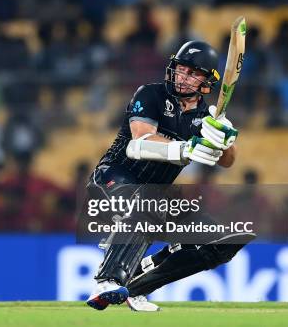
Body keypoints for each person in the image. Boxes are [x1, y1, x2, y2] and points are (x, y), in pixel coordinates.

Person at [85, 41, 255, 312]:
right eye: (180, 69)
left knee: (220, 243)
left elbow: (228, 162)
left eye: (191, 73)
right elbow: (139, 141)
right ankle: (107, 281)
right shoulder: (150, 94)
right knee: (146, 205)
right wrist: (186, 147)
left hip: (156, 195)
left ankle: (137, 286)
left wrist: (224, 140)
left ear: (206, 82)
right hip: (113, 178)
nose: (182, 76)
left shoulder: (205, 118)